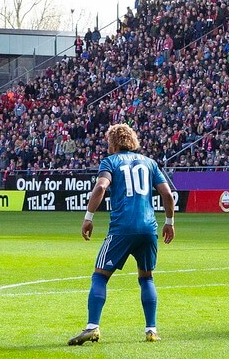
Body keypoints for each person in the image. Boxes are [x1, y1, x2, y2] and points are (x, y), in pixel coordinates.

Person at [69, 124, 176, 345]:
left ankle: (92, 327)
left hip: (121, 229)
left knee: (100, 276)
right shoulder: (150, 163)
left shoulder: (110, 162)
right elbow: (167, 193)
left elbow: (100, 188)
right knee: (146, 278)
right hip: (149, 229)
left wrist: (88, 217)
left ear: (113, 142)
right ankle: (151, 330)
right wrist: (169, 222)